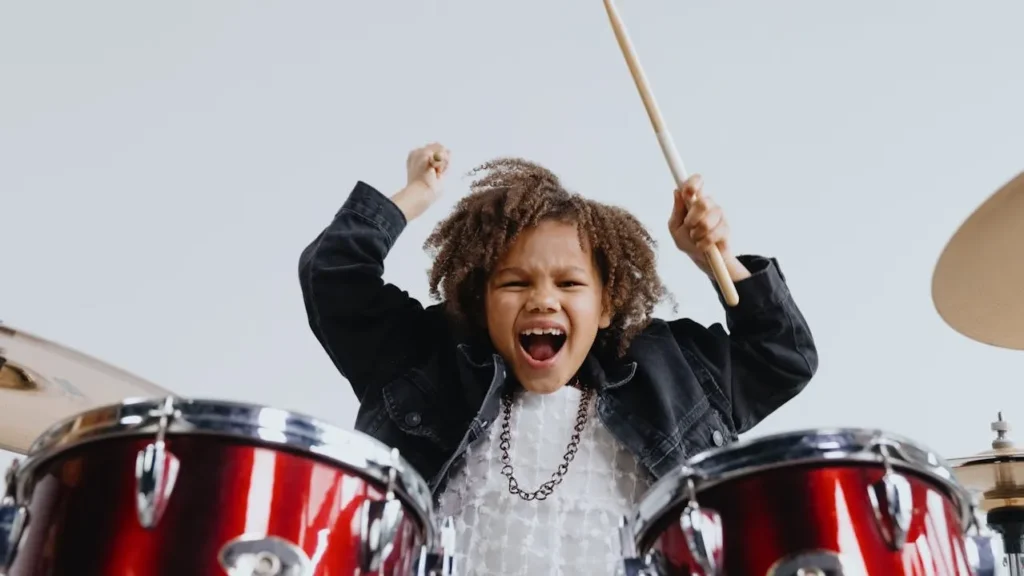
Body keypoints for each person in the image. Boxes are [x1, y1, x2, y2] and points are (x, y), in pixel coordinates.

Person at [298, 142, 818, 575]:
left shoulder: (671, 373)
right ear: (481, 301)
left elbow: (782, 356)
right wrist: (414, 195)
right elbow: (334, 275)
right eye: (515, 282)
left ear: (607, 304)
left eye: (569, 283)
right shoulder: (429, 362)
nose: (544, 299)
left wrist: (718, 260)